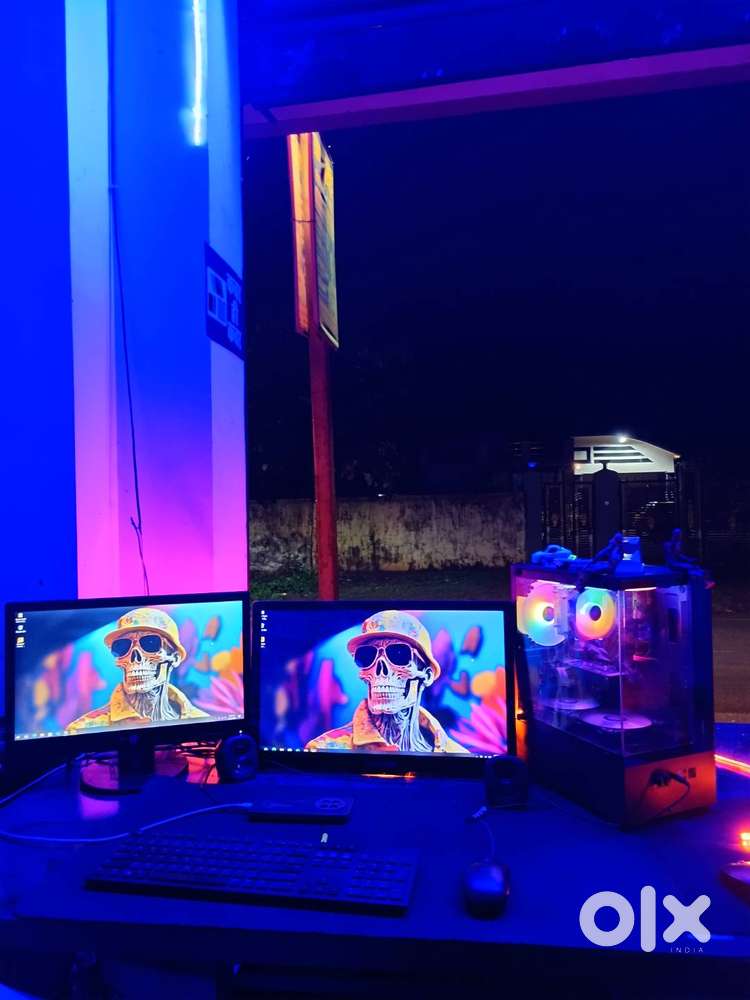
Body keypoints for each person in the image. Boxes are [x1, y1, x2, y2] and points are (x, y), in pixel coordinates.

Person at [305, 610, 468, 753]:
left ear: (427, 676)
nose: (380, 669)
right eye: (367, 656)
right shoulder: (323, 749)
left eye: (399, 654)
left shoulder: (457, 756)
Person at [65, 608, 208, 732]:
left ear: (175, 658)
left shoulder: (203, 723)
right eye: (122, 647)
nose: (135, 657)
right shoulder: (82, 729)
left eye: (150, 643)